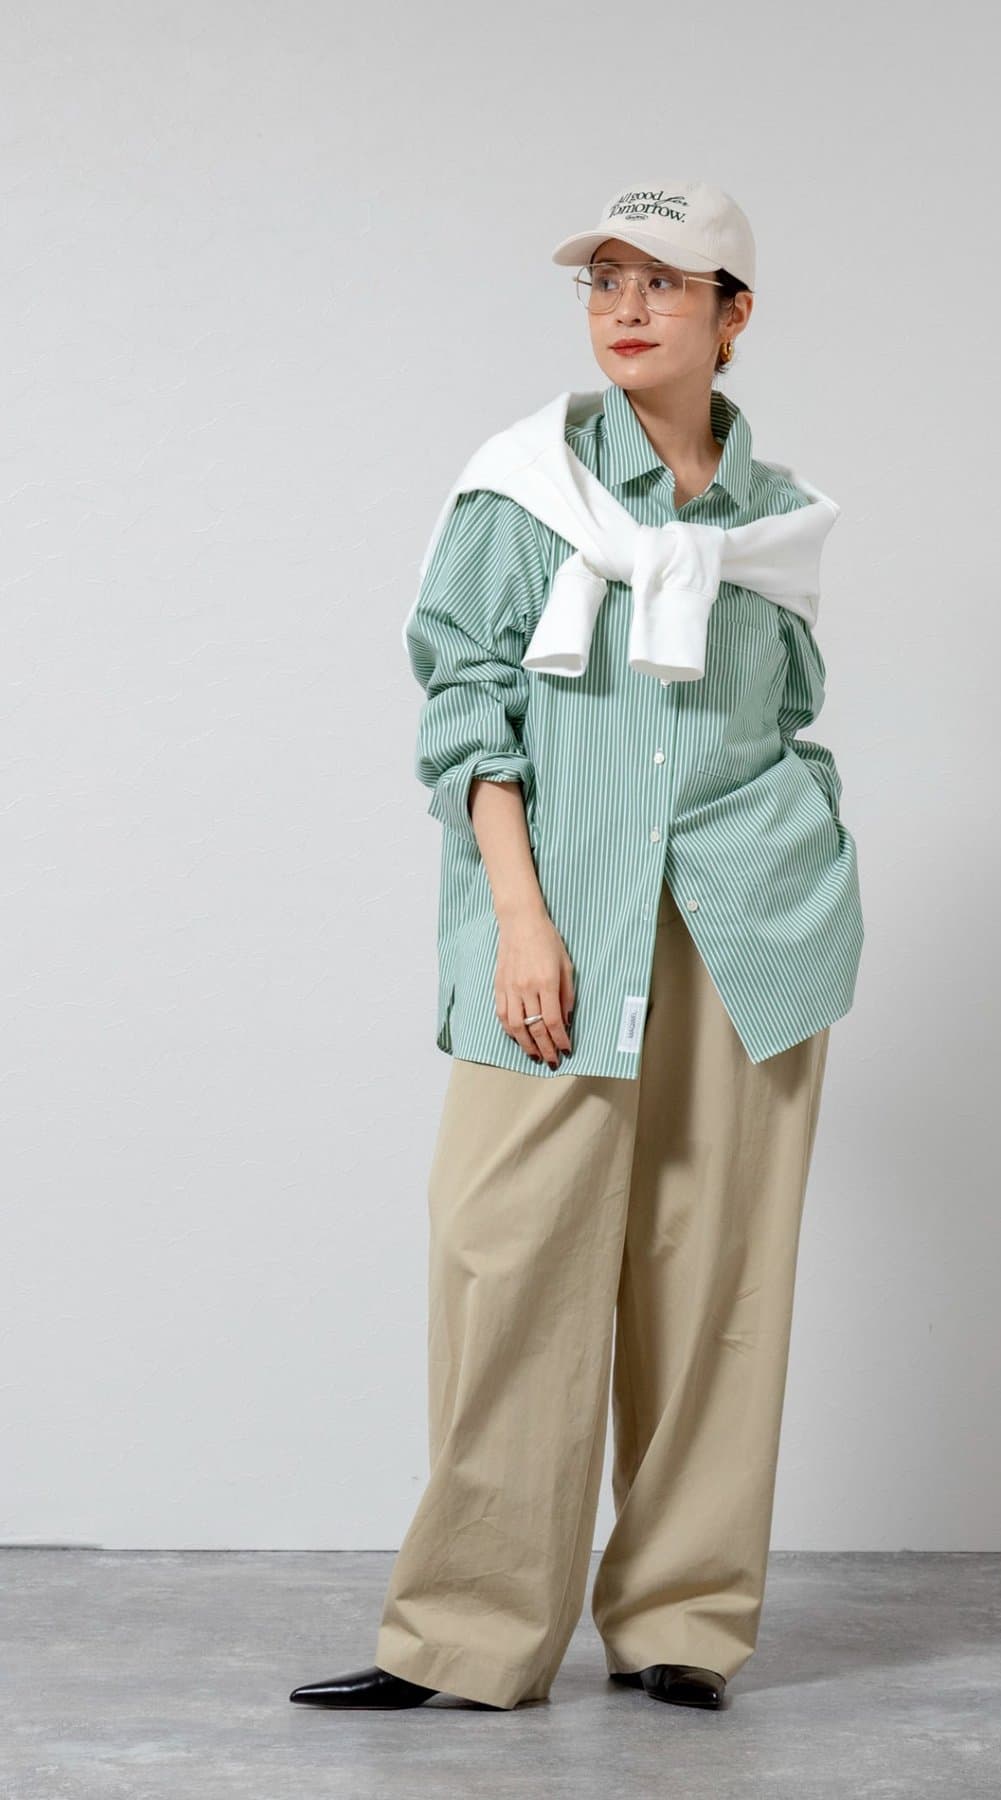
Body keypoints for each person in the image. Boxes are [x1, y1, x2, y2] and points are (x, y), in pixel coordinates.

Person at [289, 179, 863, 1715]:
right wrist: (522, 918)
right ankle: (469, 1637)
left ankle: (682, 1622)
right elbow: (465, 705)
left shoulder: (776, 521)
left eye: (665, 281)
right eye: (605, 278)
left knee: (715, 1285)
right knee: (510, 1263)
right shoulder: (522, 491)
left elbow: (786, 720)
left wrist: (805, 874)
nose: (626, 306)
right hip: (559, 927)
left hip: (747, 939)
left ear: (734, 316)